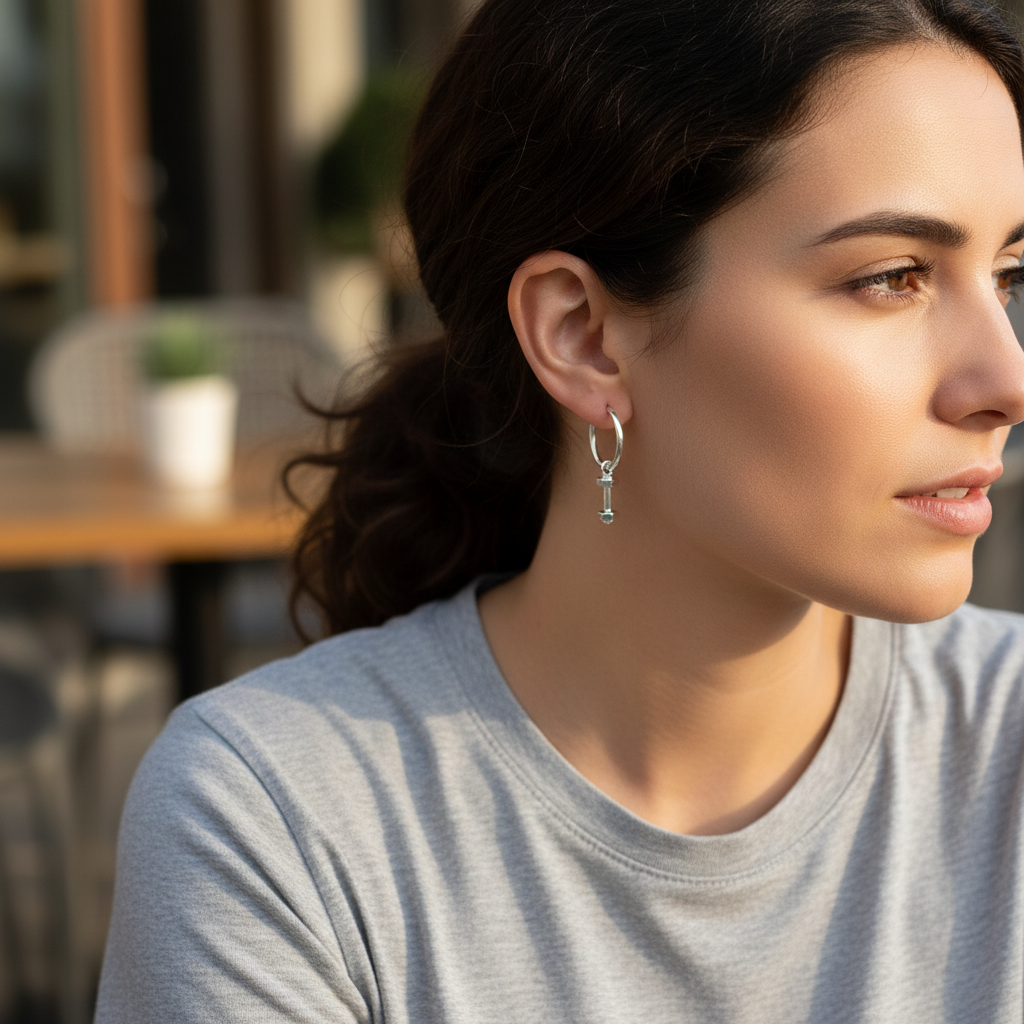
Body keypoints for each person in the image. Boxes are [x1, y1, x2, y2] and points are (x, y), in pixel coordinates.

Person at [96, 0, 1024, 1020]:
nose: (1002, 379)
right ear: (580, 334)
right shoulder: (276, 819)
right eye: (890, 277)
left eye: (1007, 276)